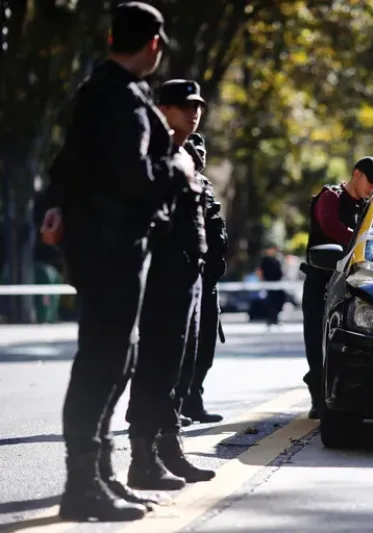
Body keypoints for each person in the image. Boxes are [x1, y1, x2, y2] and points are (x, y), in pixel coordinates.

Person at [39, 2, 196, 522]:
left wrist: (54, 207)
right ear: (153, 44)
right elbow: (135, 181)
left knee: (114, 360)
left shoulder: (96, 91)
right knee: (102, 364)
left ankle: (99, 476)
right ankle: (82, 485)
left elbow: (67, 162)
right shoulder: (123, 100)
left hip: (104, 247)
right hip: (113, 249)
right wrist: (177, 166)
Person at [124, 79, 214, 490]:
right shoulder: (150, 151)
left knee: (181, 364)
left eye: (196, 105)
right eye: (183, 105)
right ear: (162, 108)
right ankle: (142, 456)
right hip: (160, 273)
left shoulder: (185, 153)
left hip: (188, 274)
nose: (193, 112)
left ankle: (169, 446)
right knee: (155, 364)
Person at [300, 157, 373, 418]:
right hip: (320, 282)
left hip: (351, 285)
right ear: (356, 174)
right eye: (370, 182)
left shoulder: (369, 204)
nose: (372, 188)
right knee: (316, 343)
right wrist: (364, 243)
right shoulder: (330, 196)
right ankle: (317, 396)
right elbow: (330, 226)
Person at [180, 131, 228, 424]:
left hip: (208, 279)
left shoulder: (205, 185)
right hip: (185, 275)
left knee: (205, 344)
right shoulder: (176, 181)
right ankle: (169, 405)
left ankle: (192, 400)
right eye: (194, 149)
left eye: (203, 149)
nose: (201, 154)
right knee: (180, 345)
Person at [258, 243, 285, 326]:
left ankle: (275, 318)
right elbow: (260, 271)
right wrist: (262, 281)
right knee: (270, 302)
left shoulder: (277, 259)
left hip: (277, 285)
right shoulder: (265, 260)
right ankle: (270, 320)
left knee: (278, 301)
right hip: (269, 284)